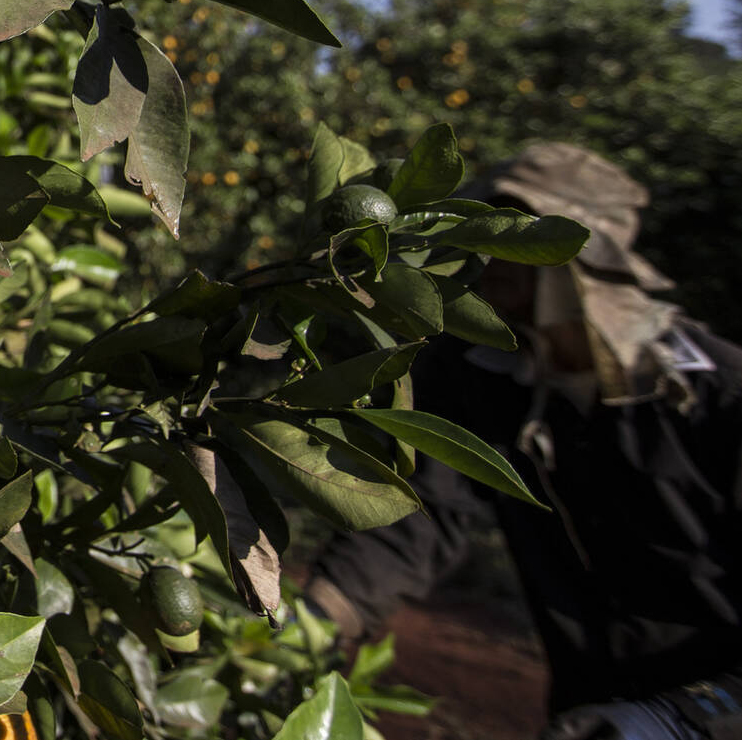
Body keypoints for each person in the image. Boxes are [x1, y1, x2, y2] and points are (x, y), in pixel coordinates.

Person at [305, 143, 742, 740]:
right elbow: (424, 512)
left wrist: (693, 714)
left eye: (515, 230)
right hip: (589, 709)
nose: (488, 253)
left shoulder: (716, 393)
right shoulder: (482, 372)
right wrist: (317, 619)